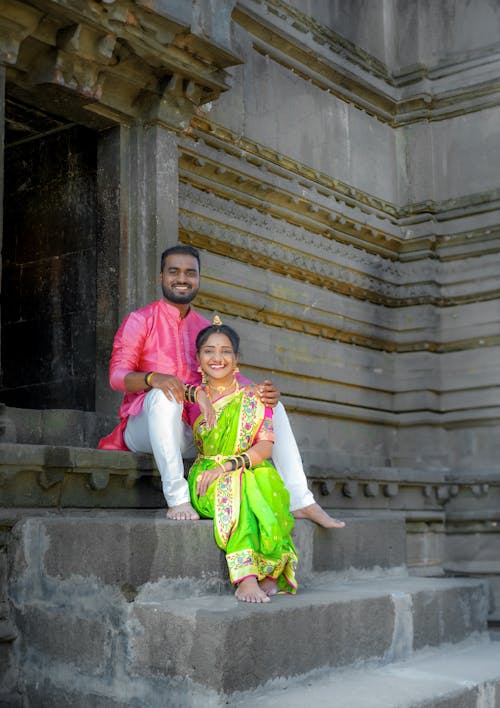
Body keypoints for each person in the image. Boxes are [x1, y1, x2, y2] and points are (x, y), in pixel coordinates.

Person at [99, 244, 345, 528]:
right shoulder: (141, 320)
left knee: (270, 404)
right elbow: (117, 377)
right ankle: (178, 498)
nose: (182, 278)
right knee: (164, 397)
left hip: (193, 429)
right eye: (174, 271)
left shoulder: (205, 328)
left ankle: (301, 501)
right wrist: (155, 378)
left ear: (199, 279)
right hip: (144, 426)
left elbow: (229, 377)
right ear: (161, 278)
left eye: (190, 273)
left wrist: (261, 394)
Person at [186, 322, 298, 603]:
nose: (217, 358)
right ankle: (246, 577)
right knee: (240, 485)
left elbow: (265, 447)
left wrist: (227, 466)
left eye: (226, 351)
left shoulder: (256, 396)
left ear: (236, 359)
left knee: (258, 480)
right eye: (209, 351)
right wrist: (198, 394)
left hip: (239, 468)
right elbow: (161, 391)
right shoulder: (190, 397)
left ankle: (271, 571)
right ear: (198, 358)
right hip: (206, 476)